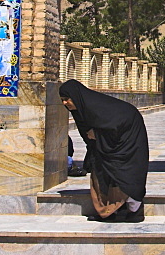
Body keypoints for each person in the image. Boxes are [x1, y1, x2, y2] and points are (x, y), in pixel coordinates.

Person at [59, 80, 149, 223]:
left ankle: (135, 210)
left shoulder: (95, 107)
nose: (65, 103)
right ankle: (109, 210)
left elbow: (115, 124)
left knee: (124, 172)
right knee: (101, 170)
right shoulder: (83, 108)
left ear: (76, 97)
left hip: (127, 140)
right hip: (109, 143)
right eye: (62, 100)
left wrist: (98, 134)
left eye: (67, 99)